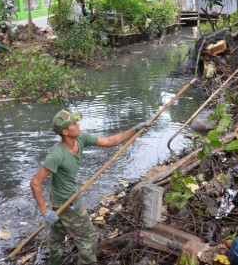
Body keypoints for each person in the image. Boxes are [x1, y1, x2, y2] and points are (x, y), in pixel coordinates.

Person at [30, 109, 150, 265]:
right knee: (89, 236)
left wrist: (134, 130)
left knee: (58, 233)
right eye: (73, 123)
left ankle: (54, 260)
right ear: (65, 131)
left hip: (65, 196)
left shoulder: (81, 139)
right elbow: (35, 182)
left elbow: (109, 141)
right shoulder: (56, 154)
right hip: (67, 202)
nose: (77, 124)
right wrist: (45, 211)